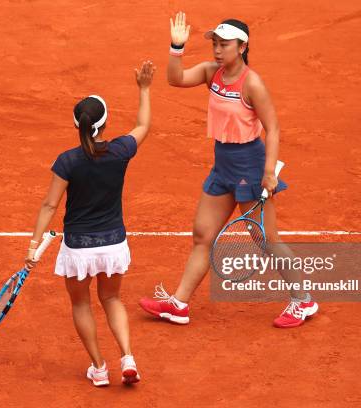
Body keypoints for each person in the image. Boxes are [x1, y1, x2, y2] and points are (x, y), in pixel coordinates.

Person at [139, 13, 318, 328]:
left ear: (242, 46)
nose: (217, 50)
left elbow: (273, 128)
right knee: (202, 234)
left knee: (266, 240)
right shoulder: (212, 73)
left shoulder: (252, 83)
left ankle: (303, 301)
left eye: (224, 44)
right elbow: (175, 78)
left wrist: (269, 172)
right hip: (222, 166)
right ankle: (179, 303)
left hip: (249, 166)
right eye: (215, 44)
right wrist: (176, 48)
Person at [26, 61, 155, 386]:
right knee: (111, 299)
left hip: (79, 249)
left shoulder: (67, 161)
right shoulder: (121, 151)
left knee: (81, 303)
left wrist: (33, 244)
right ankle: (128, 356)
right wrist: (143, 89)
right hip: (113, 244)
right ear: (104, 123)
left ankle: (99, 368)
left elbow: (49, 204)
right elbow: (143, 125)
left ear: (77, 125)